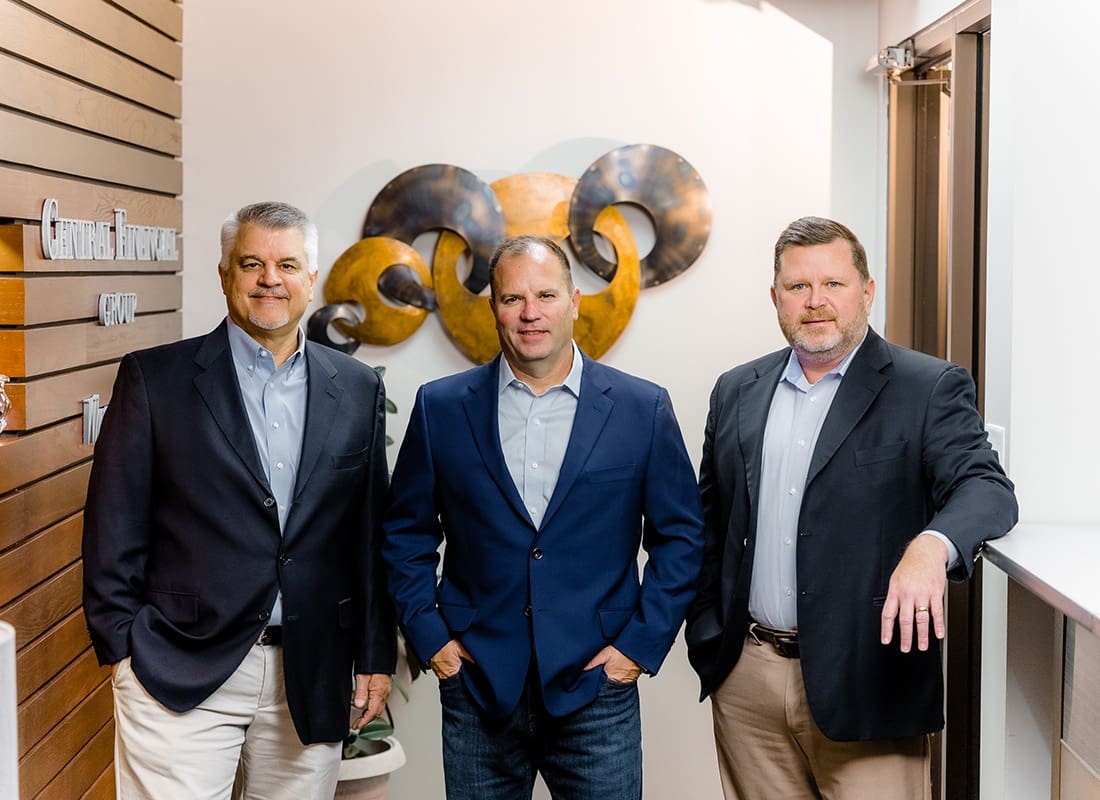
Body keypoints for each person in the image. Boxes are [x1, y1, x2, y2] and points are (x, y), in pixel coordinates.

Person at [686, 216, 1018, 799]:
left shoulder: (927, 386)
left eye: (834, 284)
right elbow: (709, 523)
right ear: (775, 298)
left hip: (870, 678)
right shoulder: (736, 389)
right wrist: (712, 641)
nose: (816, 302)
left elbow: (986, 488)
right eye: (798, 287)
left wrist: (929, 547)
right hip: (748, 679)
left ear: (866, 291)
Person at [82, 201, 395, 800]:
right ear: (224, 275)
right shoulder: (154, 379)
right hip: (178, 668)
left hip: (310, 670)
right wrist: (125, 649)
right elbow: (112, 525)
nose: (269, 279)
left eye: (286, 264)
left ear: (312, 278)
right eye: (250, 263)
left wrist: (374, 653)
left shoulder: (357, 388)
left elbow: (368, 532)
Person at [383, 235, 704, 799]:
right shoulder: (440, 408)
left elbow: (681, 538)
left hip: (596, 692)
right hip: (477, 686)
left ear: (575, 301)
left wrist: (635, 652)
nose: (530, 313)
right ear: (493, 308)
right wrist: (433, 640)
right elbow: (405, 535)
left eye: (546, 295)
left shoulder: (641, 408)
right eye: (512, 299)